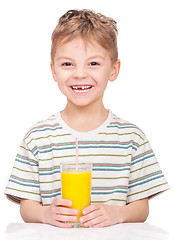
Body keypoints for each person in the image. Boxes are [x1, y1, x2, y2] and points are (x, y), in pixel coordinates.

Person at [5, 9, 169, 228]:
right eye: (67, 64)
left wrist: (116, 213)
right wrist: (46, 215)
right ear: (53, 71)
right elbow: (26, 205)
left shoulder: (131, 138)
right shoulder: (38, 138)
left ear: (114, 69)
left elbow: (141, 207)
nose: (80, 73)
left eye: (93, 64)